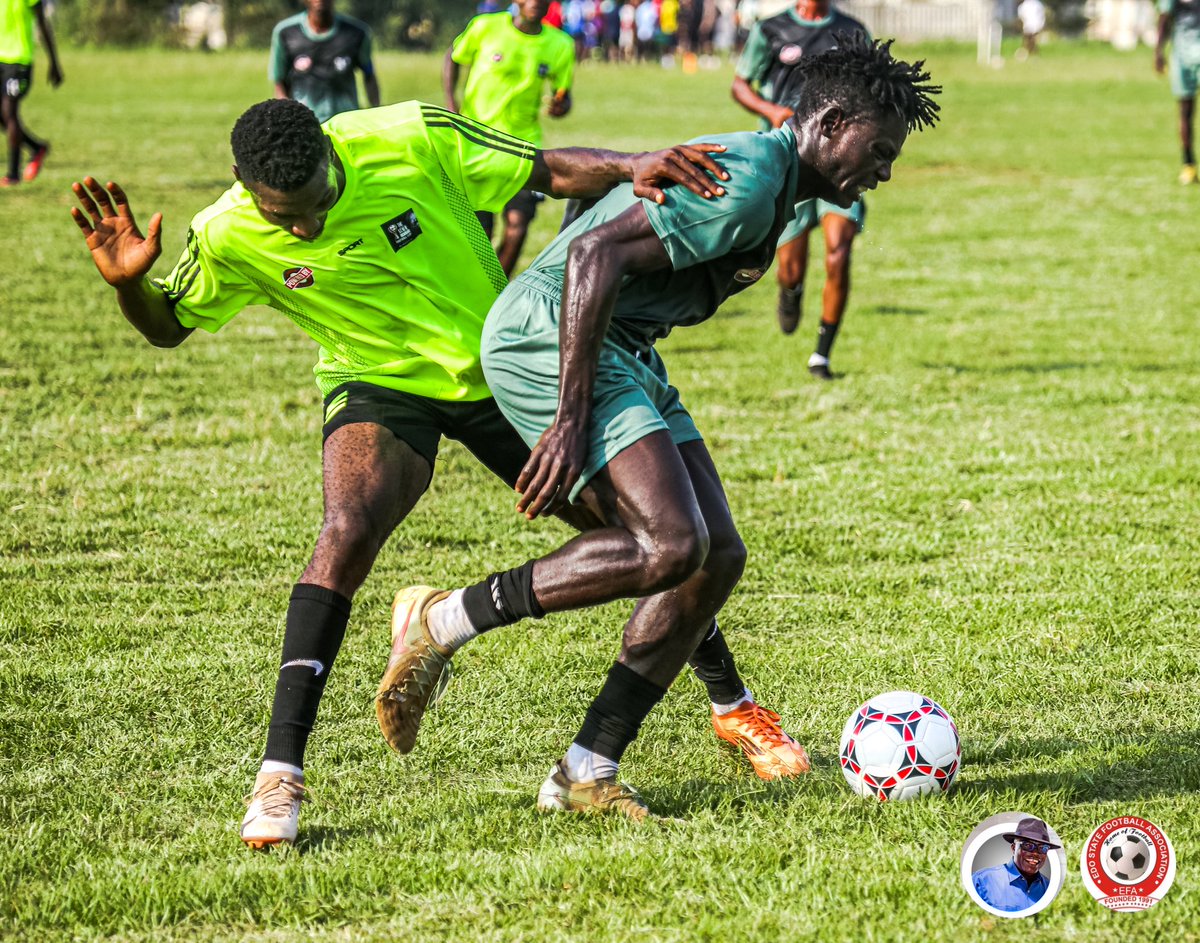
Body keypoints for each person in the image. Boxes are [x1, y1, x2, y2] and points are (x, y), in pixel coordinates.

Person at [68, 97, 770, 848]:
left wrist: (633, 165)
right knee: (346, 529)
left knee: (648, 534)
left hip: (495, 367)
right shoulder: (227, 232)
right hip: (376, 382)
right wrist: (127, 286)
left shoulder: (406, 137)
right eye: (285, 218)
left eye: (315, 204)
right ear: (243, 184)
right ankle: (279, 776)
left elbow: (544, 170)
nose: (303, 228)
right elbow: (169, 325)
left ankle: (728, 701)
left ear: (331, 157)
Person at [377, 37, 939, 820]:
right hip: (554, 333)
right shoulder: (749, 180)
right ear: (832, 121)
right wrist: (570, 414)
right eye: (878, 150)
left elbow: (596, 220)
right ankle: (441, 620)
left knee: (716, 558)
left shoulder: (790, 185)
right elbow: (592, 260)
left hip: (622, 348)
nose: (883, 169)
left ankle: (586, 769)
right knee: (671, 543)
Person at [732, 0, 869, 379]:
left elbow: (872, 89)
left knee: (838, 253)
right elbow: (740, 85)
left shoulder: (853, 31)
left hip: (840, 165)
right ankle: (790, 293)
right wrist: (773, 112)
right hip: (788, 162)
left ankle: (821, 357)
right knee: (789, 269)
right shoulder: (772, 30)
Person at [444, 0, 574, 276]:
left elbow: (564, 94)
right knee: (482, 230)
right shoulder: (485, 27)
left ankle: (497, 290)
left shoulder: (560, 44)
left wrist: (561, 106)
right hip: (476, 144)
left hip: (523, 145)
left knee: (519, 223)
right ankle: (479, 289)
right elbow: (453, 57)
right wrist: (451, 105)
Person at [269, 0, 379, 124]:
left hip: (346, 122)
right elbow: (279, 81)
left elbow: (369, 75)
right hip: (304, 122)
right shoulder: (286, 32)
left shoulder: (356, 32)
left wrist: (375, 114)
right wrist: (286, 118)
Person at [0, 0, 62, 187]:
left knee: (10, 113)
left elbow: (43, 24)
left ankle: (13, 173)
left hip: (19, 59)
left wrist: (54, 63)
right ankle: (37, 147)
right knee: (2, 116)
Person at [972, 818, 1060, 912]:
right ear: (1014, 848)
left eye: (1043, 848)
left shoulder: (1050, 888)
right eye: (1028, 846)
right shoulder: (982, 880)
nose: (1035, 853)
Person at [1155, 0, 1200, 184]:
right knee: (1185, 112)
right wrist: (1158, 51)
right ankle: (1188, 165)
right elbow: (1164, 18)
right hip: (1181, 56)